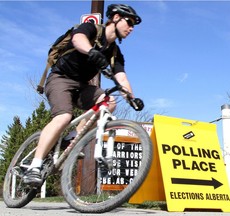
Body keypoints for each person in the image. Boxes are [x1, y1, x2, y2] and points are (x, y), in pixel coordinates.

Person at [23, 4, 144, 185]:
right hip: (60, 79)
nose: (132, 28)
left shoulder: (114, 53)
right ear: (116, 18)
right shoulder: (92, 29)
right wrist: (91, 51)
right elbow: (78, 38)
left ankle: (73, 136)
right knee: (63, 116)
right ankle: (35, 165)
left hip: (82, 86)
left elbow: (122, 79)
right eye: (129, 22)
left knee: (109, 102)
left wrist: (131, 98)